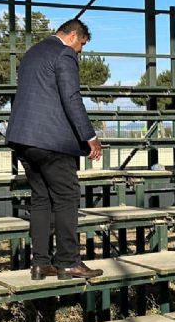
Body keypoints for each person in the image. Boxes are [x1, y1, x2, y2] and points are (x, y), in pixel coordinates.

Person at [6, 18, 103, 280]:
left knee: (41, 199)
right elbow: (71, 97)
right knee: (67, 197)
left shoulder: (32, 53)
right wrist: (90, 136)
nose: (80, 51)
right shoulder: (64, 54)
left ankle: (40, 263)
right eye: (81, 45)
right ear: (73, 36)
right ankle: (69, 261)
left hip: (23, 138)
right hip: (52, 141)